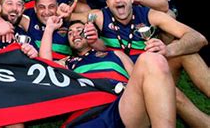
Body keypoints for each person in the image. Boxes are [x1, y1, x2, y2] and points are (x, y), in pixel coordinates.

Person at [76, 0, 210, 126]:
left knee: (186, 54)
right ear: (107, 3)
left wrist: (168, 49)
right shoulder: (99, 16)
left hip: (155, 69)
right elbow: (70, 16)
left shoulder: (149, 15)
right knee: (174, 94)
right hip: (127, 82)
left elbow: (198, 38)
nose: (118, 0)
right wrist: (64, 11)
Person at [39, 20, 176, 127]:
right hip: (88, 115)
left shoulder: (115, 54)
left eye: (79, 31)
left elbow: (139, 80)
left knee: (153, 59)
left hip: (122, 107)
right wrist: (50, 28)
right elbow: (45, 65)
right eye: (70, 33)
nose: (74, 34)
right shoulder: (68, 62)